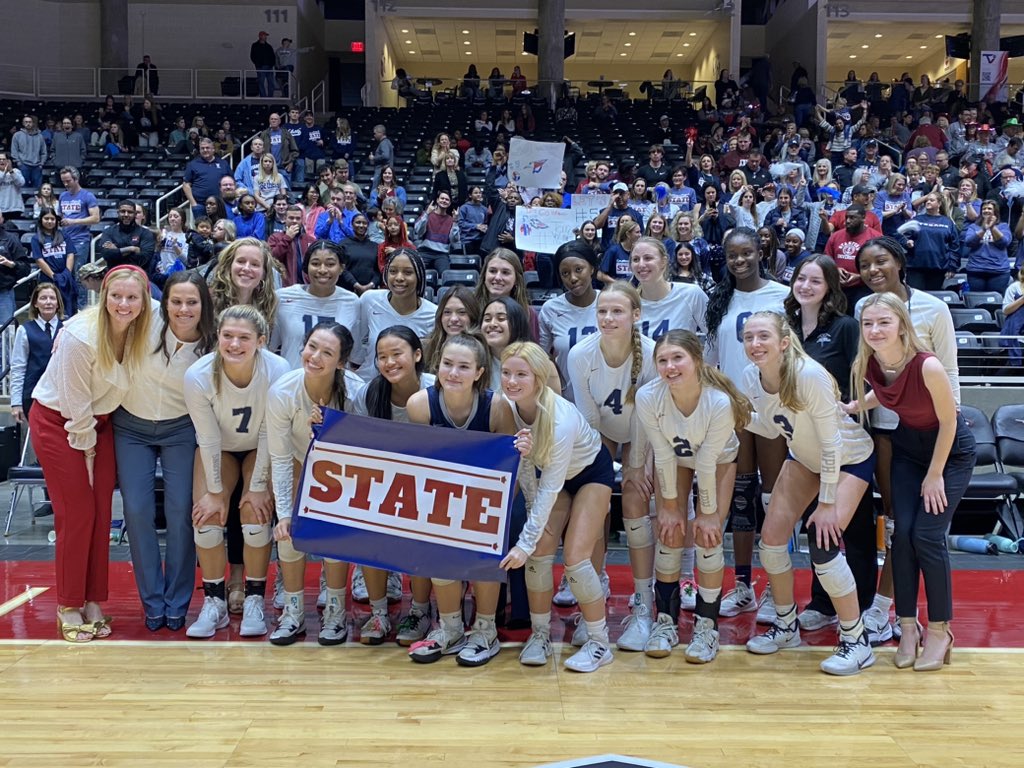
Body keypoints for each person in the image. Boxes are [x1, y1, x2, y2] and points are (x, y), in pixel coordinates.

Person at [739, 311, 877, 675]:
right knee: (770, 542)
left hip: (848, 459)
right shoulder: (750, 377)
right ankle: (786, 627)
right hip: (804, 458)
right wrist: (738, 417)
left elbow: (831, 442)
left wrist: (827, 502)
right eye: (749, 337)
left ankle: (857, 640)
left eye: (763, 336)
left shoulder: (809, 374)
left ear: (784, 342)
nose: (755, 344)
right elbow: (772, 429)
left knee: (824, 546)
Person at [850, 293, 976, 671]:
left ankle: (940, 630)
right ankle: (907, 627)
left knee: (926, 535)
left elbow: (950, 421)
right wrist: (856, 406)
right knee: (900, 535)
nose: (875, 330)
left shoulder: (929, 365)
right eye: (868, 324)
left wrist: (935, 474)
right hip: (907, 451)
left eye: (884, 322)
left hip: (949, 453)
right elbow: (887, 391)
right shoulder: (870, 361)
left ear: (902, 325)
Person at [31, 265, 153, 642]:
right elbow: (73, 403)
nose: (124, 304)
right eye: (116, 296)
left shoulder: (141, 329)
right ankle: (69, 604)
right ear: (104, 297)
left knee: (102, 511)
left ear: (144, 300)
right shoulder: (78, 336)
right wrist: (85, 448)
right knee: (78, 511)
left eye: (133, 297)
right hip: (60, 421)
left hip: (100, 422)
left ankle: (95, 600)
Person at [854, 236, 960, 643]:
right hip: (880, 428)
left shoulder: (934, 308)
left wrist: (945, 435)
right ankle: (892, 613)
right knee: (889, 522)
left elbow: (948, 376)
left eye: (880, 261)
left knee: (912, 526)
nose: (873, 270)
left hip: (925, 431)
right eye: (864, 265)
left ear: (899, 261)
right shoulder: (864, 309)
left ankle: (887, 611)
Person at [499, 342, 617, 673]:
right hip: (552, 478)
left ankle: (599, 642)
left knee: (576, 558)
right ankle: (539, 634)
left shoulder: (559, 418)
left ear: (538, 377)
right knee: (540, 551)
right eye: (506, 373)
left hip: (590, 472)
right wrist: (534, 537)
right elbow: (527, 473)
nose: (511, 381)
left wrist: (523, 541)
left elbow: (552, 484)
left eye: (521, 374)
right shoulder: (507, 408)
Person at [634, 330, 750, 662]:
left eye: (677, 358)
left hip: (717, 461)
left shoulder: (718, 401)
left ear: (697, 360)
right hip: (674, 459)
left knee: (708, 537)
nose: (670, 367)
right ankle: (665, 622)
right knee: (669, 534)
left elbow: (707, 463)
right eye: (662, 360)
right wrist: (669, 506)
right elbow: (663, 454)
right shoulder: (648, 396)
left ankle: (706, 627)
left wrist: (708, 512)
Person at [403, 333, 517, 665]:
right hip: (441, 494)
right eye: (448, 365)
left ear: (480, 372)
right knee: (436, 538)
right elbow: (419, 466)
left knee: (485, 536)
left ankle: (485, 630)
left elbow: (508, 470)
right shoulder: (420, 404)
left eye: (463, 367)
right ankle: (450, 626)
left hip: (486, 497)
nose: (453, 373)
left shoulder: (497, 407)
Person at [112, 272, 215, 632]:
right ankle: (152, 602)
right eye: (176, 301)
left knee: (181, 513)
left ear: (204, 305)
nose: (183, 309)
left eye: (192, 302)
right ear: (163, 302)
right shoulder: (145, 319)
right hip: (130, 425)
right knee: (137, 511)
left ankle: (177, 602)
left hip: (181, 428)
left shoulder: (213, 346)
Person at [183, 305, 290, 639]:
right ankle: (214, 603)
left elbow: (269, 431)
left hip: (263, 443)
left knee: (254, 515)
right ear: (218, 337)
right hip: (219, 447)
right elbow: (209, 437)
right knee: (207, 517)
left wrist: (258, 486)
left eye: (243, 337)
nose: (233, 344)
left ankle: (255, 599)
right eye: (227, 336)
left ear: (261, 341)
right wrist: (215, 492)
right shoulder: (198, 375)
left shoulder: (277, 369)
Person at [783, 255, 877, 630]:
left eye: (815, 281)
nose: (806, 286)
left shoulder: (845, 327)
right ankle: (822, 603)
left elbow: (868, 377)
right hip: (802, 444)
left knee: (851, 529)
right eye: (801, 278)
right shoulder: (784, 326)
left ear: (830, 289)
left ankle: (862, 606)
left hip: (844, 441)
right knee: (814, 524)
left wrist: (851, 406)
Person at [704, 227, 789, 621]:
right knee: (740, 499)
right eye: (732, 255)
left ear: (760, 251)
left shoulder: (781, 295)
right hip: (734, 410)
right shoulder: (718, 299)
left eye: (746, 253)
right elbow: (712, 359)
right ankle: (742, 586)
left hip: (772, 405)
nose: (739, 261)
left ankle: (776, 586)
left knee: (774, 498)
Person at [567, 284, 657, 653]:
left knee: (635, 502)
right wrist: (604, 472)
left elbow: (646, 417)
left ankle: (643, 604)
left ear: (636, 315)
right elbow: (588, 420)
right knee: (595, 505)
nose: (607, 318)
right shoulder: (580, 354)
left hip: (644, 430)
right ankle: (595, 589)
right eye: (602, 311)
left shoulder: (652, 354)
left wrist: (635, 466)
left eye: (617, 311)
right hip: (597, 433)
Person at [268, 323, 360, 645]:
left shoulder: (356, 392)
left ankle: (335, 610)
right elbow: (279, 459)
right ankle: (292, 613)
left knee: (333, 532)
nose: (315, 356)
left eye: (327, 352)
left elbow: (365, 451)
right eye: (311, 347)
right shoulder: (282, 392)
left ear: (341, 362)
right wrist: (283, 514)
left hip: (343, 469)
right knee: (290, 530)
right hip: (296, 460)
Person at [349, 327, 437, 643]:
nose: (389, 362)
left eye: (396, 354)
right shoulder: (369, 394)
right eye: (382, 357)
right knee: (367, 523)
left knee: (423, 531)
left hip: (429, 487)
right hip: (385, 485)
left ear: (416, 355)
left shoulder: (436, 389)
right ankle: (379, 613)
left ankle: (420, 610)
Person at [270, 240, 361, 370]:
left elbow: (354, 353)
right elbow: (271, 347)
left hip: (333, 386)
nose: (322, 270)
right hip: (292, 383)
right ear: (306, 267)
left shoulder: (352, 301)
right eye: (315, 263)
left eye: (330, 264)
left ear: (341, 268)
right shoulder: (283, 298)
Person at [356, 249, 437, 381]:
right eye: (393, 271)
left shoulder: (433, 314)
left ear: (419, 276)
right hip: (367, 385)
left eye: (408, 272)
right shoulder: (369, 300)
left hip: (407, 392)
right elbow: (358, 345)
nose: (399, 278)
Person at [538, 241, 600, 401]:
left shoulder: (610, 302)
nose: (572, 278)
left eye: (579, 269)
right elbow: (543, 356)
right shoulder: (550, 309)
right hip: (568, 400)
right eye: (565, 273)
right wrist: (559, 383)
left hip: (607, 400)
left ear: (592, 268)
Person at [631, 237, 708, 341]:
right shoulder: (628, 303)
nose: (641, 264)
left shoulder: (691, 294)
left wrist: (703, 356)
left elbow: (717, 336)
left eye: (648, 258)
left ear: (664, 261)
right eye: (635, 259)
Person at [10, 283, 64, 428]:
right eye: (43, 298)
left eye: (52, 298)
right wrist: (16, 402)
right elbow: (18, 368)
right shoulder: (24, 330)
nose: (48, 302)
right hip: (33, 395)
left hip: (63, 396)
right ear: (35, 303)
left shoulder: (68, 328)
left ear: (58, 303)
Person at [58, 166, 100, 310]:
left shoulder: (87, 196)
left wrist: (74, 221)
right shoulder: (63, 196)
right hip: (65, 239)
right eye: (63, 181)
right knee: (66, 274)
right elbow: (61, 216)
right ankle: (68, 307)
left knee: (79, 274)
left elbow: (96, 218)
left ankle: (82, 308)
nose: (66, 184)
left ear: (76, 179)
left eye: (68, 181)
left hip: (80, 239)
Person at [903, 192, 960, 291]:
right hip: (915, 267)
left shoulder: (948, 222)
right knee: (916, 298)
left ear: (939, 204)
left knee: (933, 298)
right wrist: (907, 242)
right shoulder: (916, 219)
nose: (928, 202)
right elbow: (901, 236)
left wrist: (952, 267)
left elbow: (954, 246)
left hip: (938, 267)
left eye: (931, 200)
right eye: (927, 200)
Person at [423, 287, 480, 373]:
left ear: (472, 316)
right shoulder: (425, 348)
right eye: (447, 312)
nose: (453, 319)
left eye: (461, 312)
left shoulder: (483, 350)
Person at [964, 199, 1013, 293]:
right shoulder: (973, 227)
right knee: (977, 301)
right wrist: (984, 229)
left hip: (999, 271)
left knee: (995, 302)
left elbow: (1004, 243)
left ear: (995, 211)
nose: (986, 211)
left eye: (989, 208)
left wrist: (992, 227)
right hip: (976, 270)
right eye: (984, 209)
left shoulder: (1003, 226)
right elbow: (969, 242)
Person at [184, 138, 232, 221]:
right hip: (200, 205)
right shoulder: (193, 164)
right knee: (202, 231)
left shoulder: (223, 163)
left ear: (213, 149)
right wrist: (193, 203)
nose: (205, 150)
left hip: (220, 204)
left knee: (221, 229)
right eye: (202, 148)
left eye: (207, 148)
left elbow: (231, 181)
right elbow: (186, 185)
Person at [413, 192, 460, 275]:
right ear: (437, 200)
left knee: (446, 274)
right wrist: (427, 213)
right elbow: (418, 231)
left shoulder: (450, 220)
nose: (444, 201)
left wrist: (455, 221)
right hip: (425, 251)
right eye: (442, 198)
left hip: (441, 254)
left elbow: (454, 240)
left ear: (449, 203)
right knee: (415, 272)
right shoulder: (428, 215)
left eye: (447, 200)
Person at [12, 115, 47, 189]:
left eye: (30, 122)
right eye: (26, 122)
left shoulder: (40, 136)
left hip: (37, 166)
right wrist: (19, 163)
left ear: (33, 123)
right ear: (23, 123)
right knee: (22, 188)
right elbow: (14, 150)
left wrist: (41, 163)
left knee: (38, 190)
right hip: (23, 165)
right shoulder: (17, 135)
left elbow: (44, 151)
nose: (28, 123)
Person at [367, 125, 394, 190]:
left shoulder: (384, 143)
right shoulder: (386, 142)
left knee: (375, 191)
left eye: (375, 133)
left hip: (381, 171)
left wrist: (374, 158)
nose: (374, 135)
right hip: (384, 171)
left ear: (380, 133)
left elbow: (385, 156)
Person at [250, 31, 277, 98]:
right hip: (261, 67)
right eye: (264, 36)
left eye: (266, 36)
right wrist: (258, 64)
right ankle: (263, 96)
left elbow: (273, 56)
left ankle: (270, 96)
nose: (265, 37)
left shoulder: (268, 46)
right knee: (261, 82)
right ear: (260, 36)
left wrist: (272, 64)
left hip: (269, 66)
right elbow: (252, 56)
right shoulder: (255, 45)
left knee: (271, 82)